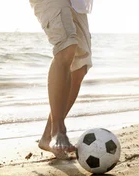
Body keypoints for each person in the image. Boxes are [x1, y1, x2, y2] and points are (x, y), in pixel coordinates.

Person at [29, 0, 94, 157]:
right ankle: (58, 130)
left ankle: (46, 137)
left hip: (78, 4)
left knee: (80, 66)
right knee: (66, 46)